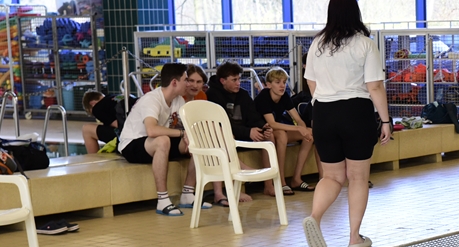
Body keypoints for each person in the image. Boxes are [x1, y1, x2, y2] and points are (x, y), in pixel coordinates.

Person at [302, 0, 392, 247]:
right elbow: (374, 86)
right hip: (355, 112)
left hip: (323, 112)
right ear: (356, 13)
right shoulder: (365, 44)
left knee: (331, 176)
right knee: (358, 177)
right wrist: (385, 120)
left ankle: (315, 216)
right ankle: (354, 237)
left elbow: (310, 82)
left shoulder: (317, 44)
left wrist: (323, 102)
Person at [118, 63, 208, 216]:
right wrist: (182, 133)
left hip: (157, 142)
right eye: (186, 80)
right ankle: (163, 200)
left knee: (198, 139)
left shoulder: (178, 100)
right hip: (133, 144)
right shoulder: (151, 99)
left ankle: (188, 193)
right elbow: (151, 130)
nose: (188, 84)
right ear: (174, 82)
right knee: (163, 140)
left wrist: (189, 134)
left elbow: (188, 126)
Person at [205, 61, 284, 199]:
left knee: (269, 136)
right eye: (234, 80)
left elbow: (254, 116)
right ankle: (234, 187)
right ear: (223, 81)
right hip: (227, 134)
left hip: (244, 132)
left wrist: (263, 128)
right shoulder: (213, 94)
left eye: (239, 79)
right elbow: (221, 124)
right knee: (228, 136)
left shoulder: (243, 94)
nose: (238, 83)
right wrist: (248, 132)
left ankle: (268, 185)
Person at [255, 66, 319, 194]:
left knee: (310, 134)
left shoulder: (284, 96)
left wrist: (303, 128)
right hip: (261, 132)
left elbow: (298, 118)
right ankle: (281, 181)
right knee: (281, 135)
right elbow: (272, 124)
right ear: (269, 85)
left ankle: (296, 178)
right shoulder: (264, 96)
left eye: (284, 82)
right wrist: (298, 128)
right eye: (277, 82)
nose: (282, 86)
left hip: (276, 130)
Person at [81, 90, 119, 154]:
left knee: (86, 129)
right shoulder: (115, 97)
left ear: (92, 103)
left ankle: (94, 159)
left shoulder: (98, 108)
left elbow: (120, 125)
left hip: (130, 135)